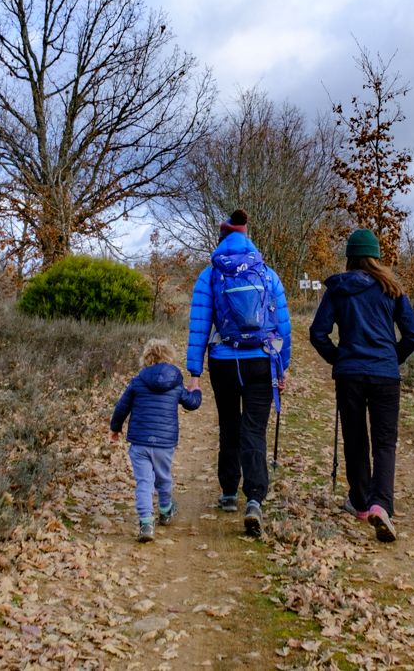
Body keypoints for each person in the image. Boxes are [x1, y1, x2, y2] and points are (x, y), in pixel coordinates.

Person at [309, 228, 414, 542]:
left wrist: (339, 358)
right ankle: (381, 505)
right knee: (385, 442)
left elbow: (318, 333)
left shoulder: (338, 289)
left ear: (349, 257)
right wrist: (391, 358)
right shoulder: (392, 288)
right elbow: (413, 334)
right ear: (375, 256)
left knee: (356, 438)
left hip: (350, 375)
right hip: (385, 374)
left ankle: (359, 502)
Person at [185, 208, 292, 536]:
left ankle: (229, 491)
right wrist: (282, 367)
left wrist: (194, 372)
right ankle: (255, 498)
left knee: (230, 424)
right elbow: (282, 325)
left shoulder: (210, 274)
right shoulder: (266, 272)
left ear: (220, 240)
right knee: (254, 429)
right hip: (260, 360)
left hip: (224, 361)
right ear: (247, 237)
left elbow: (200, 323)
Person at [111, 338, 203, 542]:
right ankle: (165, 510)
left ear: (146, 358)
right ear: (169, 358)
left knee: (144, 481)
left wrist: (115, 429)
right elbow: (192, 404)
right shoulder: (175, 383)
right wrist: (196, 389)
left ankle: (146, 523)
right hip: (164, 443)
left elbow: (121, 407)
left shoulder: (137, 381)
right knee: (163, 477)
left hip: (140, 442)